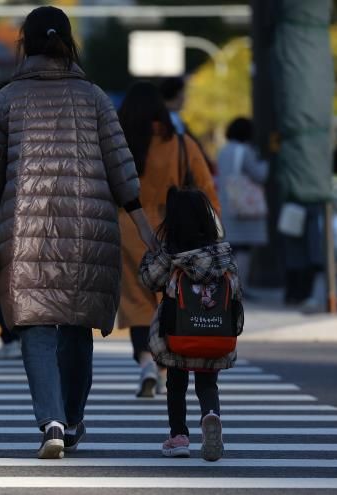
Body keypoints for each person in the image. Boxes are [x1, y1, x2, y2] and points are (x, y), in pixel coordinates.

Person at [0, 6, 155, 459]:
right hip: (88, 230)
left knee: (36, 325)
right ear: (68, 42)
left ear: (25, 43)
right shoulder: (93, 97)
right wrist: (140, 220)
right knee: (76, 325)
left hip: (24, 228)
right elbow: (121, 166)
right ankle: (72, 419)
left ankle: (51, 420)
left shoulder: (5, 100)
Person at [117, 81, 220, 398]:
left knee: (137, 303)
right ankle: (163, 366)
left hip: (128, 228)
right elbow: (206, 189)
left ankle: (146, 362)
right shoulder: (180, 144)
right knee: (171, 299)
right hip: (174, 232)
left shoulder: (120, 145)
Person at [139, 187, 242, 462]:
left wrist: (152, 254)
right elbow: (236, 291)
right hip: (215, 335)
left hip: (178, 334)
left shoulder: (172, 255)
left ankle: (179, 436)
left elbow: (148, 280)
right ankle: (211, 415)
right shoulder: (223, 256)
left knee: (176, 384)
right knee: (207, 384)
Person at [216, 117, 268, 295]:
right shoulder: (245, 151)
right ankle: (238, 288)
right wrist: (266, 163)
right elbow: (259, 174)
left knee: (230, 249)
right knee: (244, 249)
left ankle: (227, 287)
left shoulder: (223, 151)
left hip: (227, 206)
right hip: (243, 210)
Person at [160, 76, 217, 176]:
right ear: (177, 94)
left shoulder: (168, 117)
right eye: (183, 92)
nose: (185, 97)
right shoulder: (171, 120)